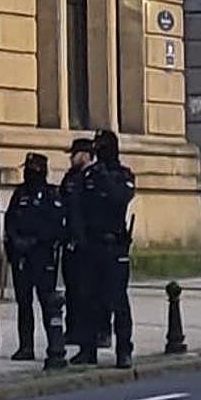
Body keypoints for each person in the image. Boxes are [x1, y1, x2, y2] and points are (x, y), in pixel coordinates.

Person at [69, 129, 137, 368]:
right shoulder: (86, 176)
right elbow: (76, 208)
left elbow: (120, 198)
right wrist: (81, 238)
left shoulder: (122, 175)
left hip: (114, 245)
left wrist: (104, 175)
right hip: (91, 245)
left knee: (118, 300)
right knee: (87, 299)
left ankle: (124, 350)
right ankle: (87, 349)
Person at [5, 153, 67, 369]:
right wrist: (15, 242)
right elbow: (10, 220)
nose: (28, 173)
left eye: (31, 169)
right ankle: (26, 346)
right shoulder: (19, 194)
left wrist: (36, 240)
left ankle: (55, 346)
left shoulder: (51, 195)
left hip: (42, 255)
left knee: (48, 303)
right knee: (24, 303)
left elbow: (55, 225)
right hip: (22, 256)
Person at [60, 138, 94, 346]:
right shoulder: (70, 178)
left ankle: (91, 331)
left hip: (90, 242)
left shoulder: (96, 176)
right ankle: (72, 329)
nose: (71, 158)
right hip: (70, 239)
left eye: (75, 154)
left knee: (88, 290)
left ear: (85, 155)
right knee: (72, 288)